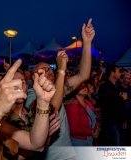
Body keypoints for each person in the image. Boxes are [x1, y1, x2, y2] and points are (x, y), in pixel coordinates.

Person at [25, 18, 95, 160]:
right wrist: (61, 70)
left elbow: (83, 75)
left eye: (50, 68)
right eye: (43, 70)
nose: (50, 71)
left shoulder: (58, 89)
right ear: (34, 78)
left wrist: (86, 43)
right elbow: (52, 109)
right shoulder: (31, 95)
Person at [3, 69, 61, 159]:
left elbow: (41, 148)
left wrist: (47, 134)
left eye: (23, 82)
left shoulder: (32, 114)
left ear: (27, 86)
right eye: (14, 82)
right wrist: (42, 134)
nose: (19, 86)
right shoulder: (1, 119)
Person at [98, 64, 127, 146]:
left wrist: (123, 120)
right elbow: (106, 104)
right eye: (118, 72)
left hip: (118, 122)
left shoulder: (115, 87)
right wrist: (121, 98)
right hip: (111, 124)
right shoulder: (105, 87)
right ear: (112, 73)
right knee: (114, 147)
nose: (120, 74)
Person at [118, 69, 131, 145]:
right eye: (127, 78)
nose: (129, 80)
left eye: (130, 78)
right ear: (121, 79)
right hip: (120, 120)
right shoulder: (117, 90)